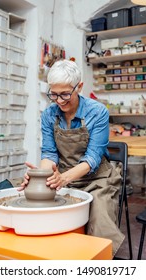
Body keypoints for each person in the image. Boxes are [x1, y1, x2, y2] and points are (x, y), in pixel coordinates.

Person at [20, 59, 124, 256]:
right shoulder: (50, 114)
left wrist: (64, 178)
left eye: (65, 94)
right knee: (32, 208)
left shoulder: (98, 111)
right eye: (54, 94)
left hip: (96, 179)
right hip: (62, 177)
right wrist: (39, 175)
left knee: (100, 219)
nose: (59, 101)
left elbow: (92, 158)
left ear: (80, 87)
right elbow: (49, 153)